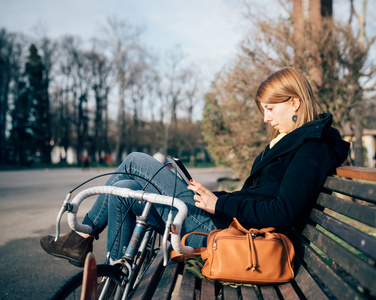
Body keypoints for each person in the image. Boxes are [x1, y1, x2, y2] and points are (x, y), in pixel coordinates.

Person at [40, 67, 350, 267]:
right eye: (264, 110)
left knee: (135, 161)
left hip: (233, 237)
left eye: (270, 108)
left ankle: (84, 237)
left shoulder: (312, 147)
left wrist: (220, 203)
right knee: (124, 189)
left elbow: (283, 212)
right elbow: (260, 195)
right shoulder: (293, 140)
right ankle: (112, 272)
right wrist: (214, 196)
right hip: (226, 223)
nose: (266, 117)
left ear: (294, 102)